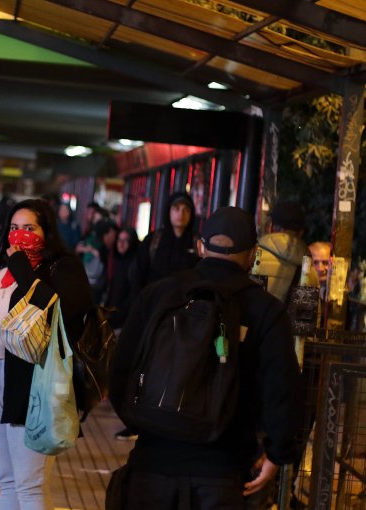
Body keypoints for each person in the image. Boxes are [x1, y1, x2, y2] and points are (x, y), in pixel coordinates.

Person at [108, 206, 303, 510]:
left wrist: (141, 422)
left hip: (151, 465)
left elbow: (121, 368)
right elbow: (283, 388)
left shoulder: (159, 294)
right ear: (252, 254)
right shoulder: (266, 311)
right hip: (223, 472)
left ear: (200, 246)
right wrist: (278, 453)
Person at [0, 199, 93, 510]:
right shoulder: (1, 272)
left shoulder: (63, 268)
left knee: (30, 485)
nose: (20, 235)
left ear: (46, 232)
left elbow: (64, 312)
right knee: (8, 480)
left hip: (32, 381)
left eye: (29, 228)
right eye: (14, 228)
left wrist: (23, 270)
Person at [117, 192, 199, 441]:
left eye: (186, 209)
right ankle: (137, 418)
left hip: (184, 320)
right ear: (168, 211)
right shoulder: (155, 240)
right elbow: (137, 275)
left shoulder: (195, 243)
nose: (181, 213)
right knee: (145, 367)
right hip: (153, 317)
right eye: (176, 208)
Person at [252, 201, 307, 302]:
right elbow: (308, 312)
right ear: (301, 232)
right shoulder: (309, 268)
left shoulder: (253, 257)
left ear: (271, 226)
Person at [76, 219, 118, 305]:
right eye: (113, 234)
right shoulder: (100, 250)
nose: (115, 238)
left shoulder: (107, 249)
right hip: (94, 290)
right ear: (106, 234)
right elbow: (93, 272)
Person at [105, 228, 140, 331]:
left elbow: (133, 293)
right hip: (112, 313)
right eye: (119, 240)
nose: (121, 244)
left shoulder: (135, 265)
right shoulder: (116, 259)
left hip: (124, 318)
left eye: (126, 241)